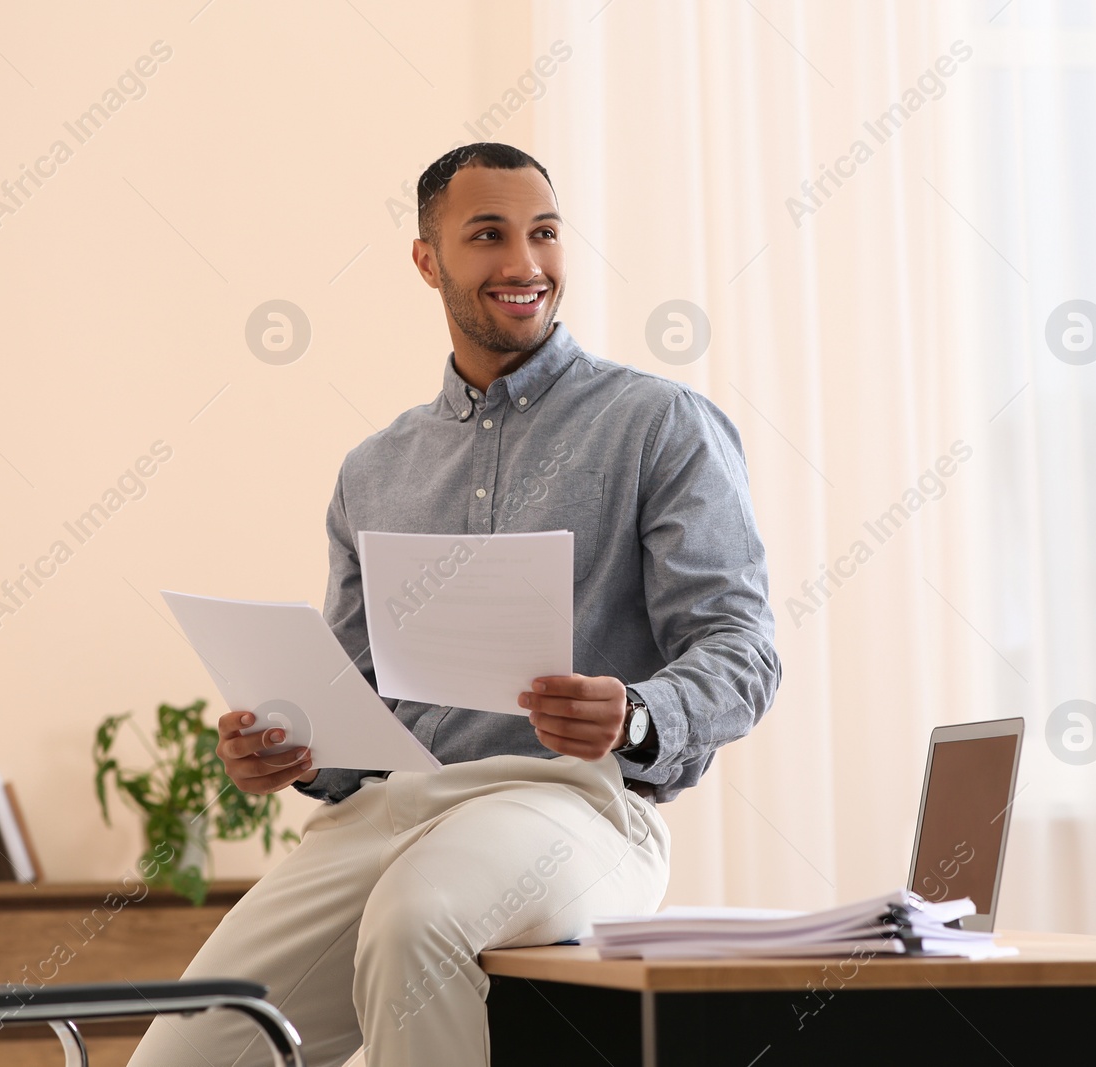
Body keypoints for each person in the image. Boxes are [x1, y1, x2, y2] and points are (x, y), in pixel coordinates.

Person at [127, 142, 781, 1067]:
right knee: (187, 1050)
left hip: (578, 807)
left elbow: (741, 649)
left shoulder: (659, 425)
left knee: (414, 923)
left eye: (544, 234)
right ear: (427, 260)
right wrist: (291, 750)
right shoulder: (375, 471)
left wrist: (634, 712)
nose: (525, 264)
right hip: (387, 814)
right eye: (488, 236)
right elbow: (356, 709)